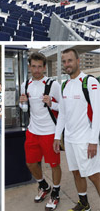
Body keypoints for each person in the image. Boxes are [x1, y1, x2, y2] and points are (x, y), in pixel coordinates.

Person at [54, 48, 100, 211]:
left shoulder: (90, 82)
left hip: (86, 140)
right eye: (64, 61)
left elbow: (97, 114)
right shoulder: (64, 85)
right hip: (70, 140)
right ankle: (84, 203)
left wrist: (93, 141)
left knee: (94, 175)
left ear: (78, 61)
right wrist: (57, 136)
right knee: (76, 173)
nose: (67, 64)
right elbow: (63, 113)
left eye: (70, 60)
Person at [19, 52, 62, 210]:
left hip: (50, 131)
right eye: (33, 66)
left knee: (54, 164)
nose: (36, 70)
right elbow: (24, 109)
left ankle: (55, 192)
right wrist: (22, 103)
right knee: (30, 163)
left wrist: (52, 104)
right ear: (29, 66)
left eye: (40, 67)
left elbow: (64, 107)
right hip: (32, 131)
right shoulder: (25, 85)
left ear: (44, 67)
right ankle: (44, 186)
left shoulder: (53, 85)